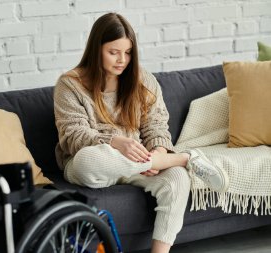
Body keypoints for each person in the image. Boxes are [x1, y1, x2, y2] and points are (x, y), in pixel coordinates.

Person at [53, 12, 229, 253]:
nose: (121, 60)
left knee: (178, 179)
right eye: (113, 52)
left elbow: (156, 124)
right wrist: (116, 142)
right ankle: (185, 158)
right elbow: (73, 136)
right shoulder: (70, 84)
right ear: (96, 49)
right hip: (99, 161)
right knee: (86, 161)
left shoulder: (142, 80)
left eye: (127, 53)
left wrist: (156, 149)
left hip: (139, 160)